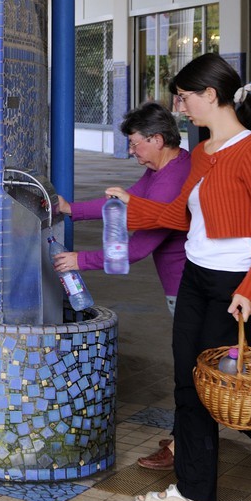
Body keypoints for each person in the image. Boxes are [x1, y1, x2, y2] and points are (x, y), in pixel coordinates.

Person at [106, 53, 251, 501]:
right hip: (195, 278)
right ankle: (194, 490)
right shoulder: (204, 151)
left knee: (225, 391)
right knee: (189, 386)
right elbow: (182, 218)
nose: (180, 107)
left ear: (210, 95)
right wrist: (132, 205)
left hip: (236, 289)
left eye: (185, 97)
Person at [52, 100, 190, 471]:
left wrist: (80, 260)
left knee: (189, 369)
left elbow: (137, 249)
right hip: (184, 284)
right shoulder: (168, 166)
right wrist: (71, 209)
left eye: (135, 144)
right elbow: (123, 202)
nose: (131, 152)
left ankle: (184, 446)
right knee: (192, 367)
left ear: (157, 139)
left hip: (188, 287)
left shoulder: (171, 181)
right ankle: (186, 437)